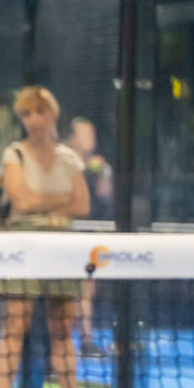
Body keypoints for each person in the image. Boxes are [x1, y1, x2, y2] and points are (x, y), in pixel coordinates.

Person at [0, 86, 99, 388]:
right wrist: (60, 199)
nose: (33, 119)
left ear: (53, 113)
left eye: (39, 111)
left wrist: (41, 200)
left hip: (62, 247)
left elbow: (82, 205)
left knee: (63, 329)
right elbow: (22, 201)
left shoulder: (69, 158)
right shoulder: (14, 154)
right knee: (14, 326)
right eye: (26, 113)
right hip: (23, 248)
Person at [67, 117, 113, 359]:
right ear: (72, 137)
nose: (90, 139)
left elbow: (105, 196)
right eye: (84, 134)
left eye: (92, 134)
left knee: (87, 288)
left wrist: (103, 172)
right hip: (65, 233)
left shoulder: (99, 165)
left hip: (89, 234)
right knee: (71, 290)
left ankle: (85, 341)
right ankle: (74, 342)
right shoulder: (62, 160)